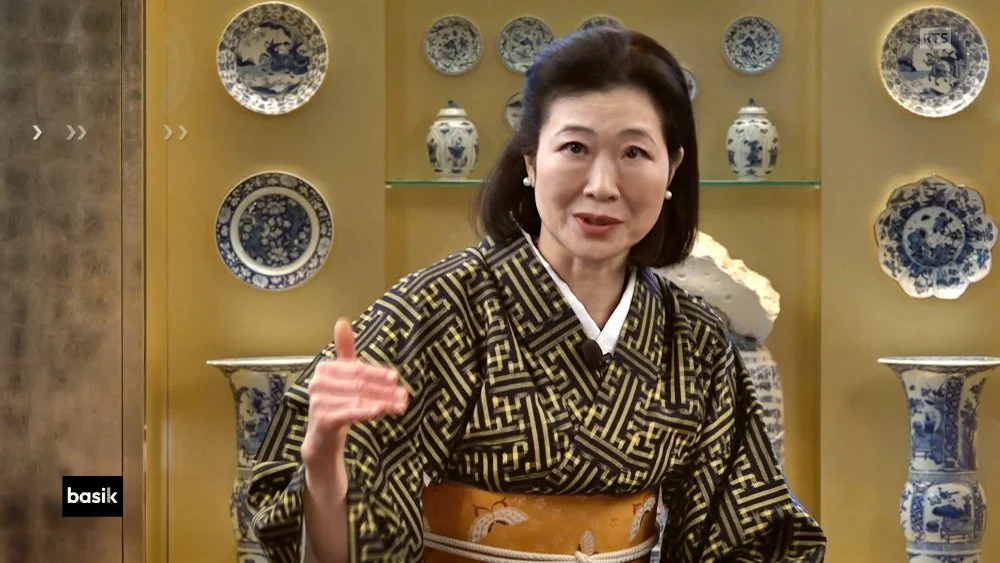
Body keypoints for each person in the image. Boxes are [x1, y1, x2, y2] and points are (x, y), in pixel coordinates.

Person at [247, 26, 826, 563]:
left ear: (672, 168)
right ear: (531, 159)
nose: (602, 185)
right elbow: (333, 540)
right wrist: (324, 471)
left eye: (634, 153)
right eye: (575, 148)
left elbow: (752, 533)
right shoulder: (437, 310)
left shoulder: (694, 339)